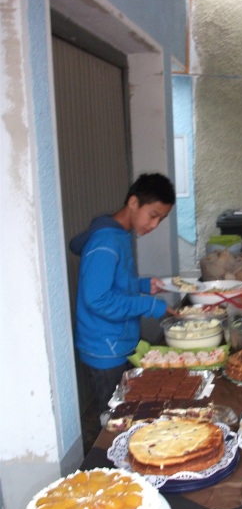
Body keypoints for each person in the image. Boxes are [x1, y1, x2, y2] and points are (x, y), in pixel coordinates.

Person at [70, 172, 176, 418]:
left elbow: (115, 283)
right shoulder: (106, 242)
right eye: (153, 215)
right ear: (133, 202)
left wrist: (142, 284)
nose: (154, 225)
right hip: (105, 348)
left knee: (128, 408)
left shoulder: (120, 234)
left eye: (161, 219)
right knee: (114, 416)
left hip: (119, 341)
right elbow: (98, 299)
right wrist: (150, 305)